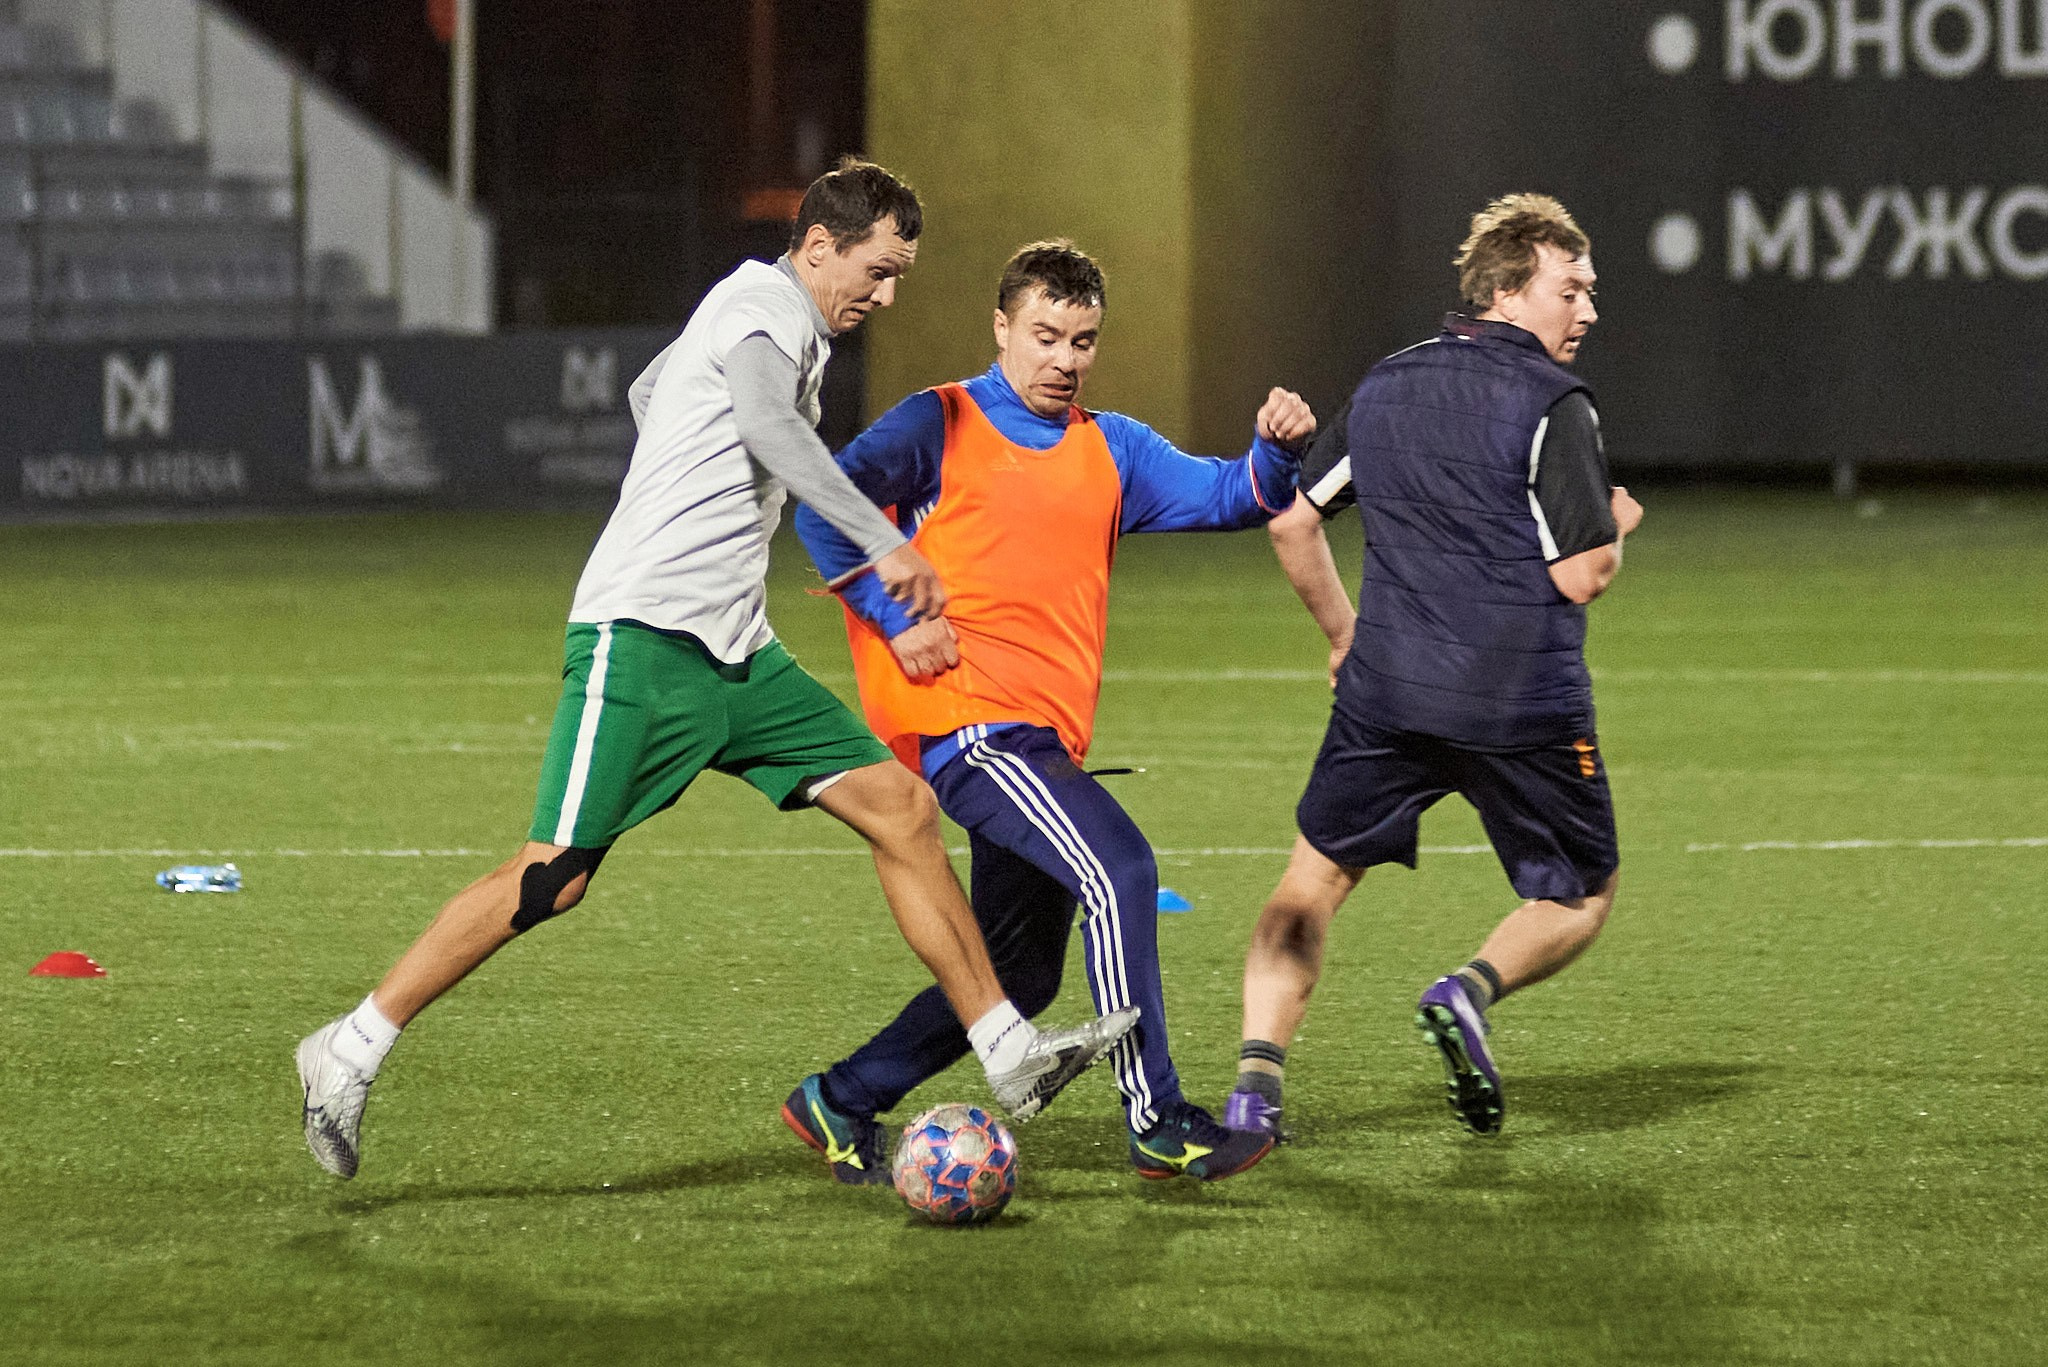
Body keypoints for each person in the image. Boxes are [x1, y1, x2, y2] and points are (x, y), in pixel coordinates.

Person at [294, 162, 1134, 1182]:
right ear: (818, 246)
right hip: (644, 638)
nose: (886, 295)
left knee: (902, 808)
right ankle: (348, 1048)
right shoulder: (763, 306)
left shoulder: (770, 323)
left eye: (899, 275)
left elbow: (652, 389)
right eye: (878, 270)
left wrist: (684, 460)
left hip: (739, 652)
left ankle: (1008, 1049)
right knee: (552, 877)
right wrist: (882, 541)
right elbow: (769, 428)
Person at [784, 240, 1314, 1184]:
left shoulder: (1113, 447)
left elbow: (1236, 495)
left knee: (1021, 975)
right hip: (971, 728)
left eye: (1083, 340)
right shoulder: (939, 421)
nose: (1065, 359)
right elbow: (822, 509)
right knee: (1122, 870)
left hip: (1042, 740)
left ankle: (841, 1096)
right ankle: (1158, 1119)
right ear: (1001, 328)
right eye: (1045, 336)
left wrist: (1277, 451)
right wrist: (892, 620)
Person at [1223, 193, 1644, 1141]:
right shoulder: (1556, 402)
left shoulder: (1389, 383)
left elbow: (1292, 521)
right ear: (1507, 291)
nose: (1587, 310)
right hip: (1518, 701)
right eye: (1570, 289)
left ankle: (1254, 1086)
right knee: (1579, 891)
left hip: (1389, 691)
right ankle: (1468, 991)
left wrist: (1344, 635)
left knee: (1311, 882)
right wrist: (1615, 526)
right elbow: (1581, 575)